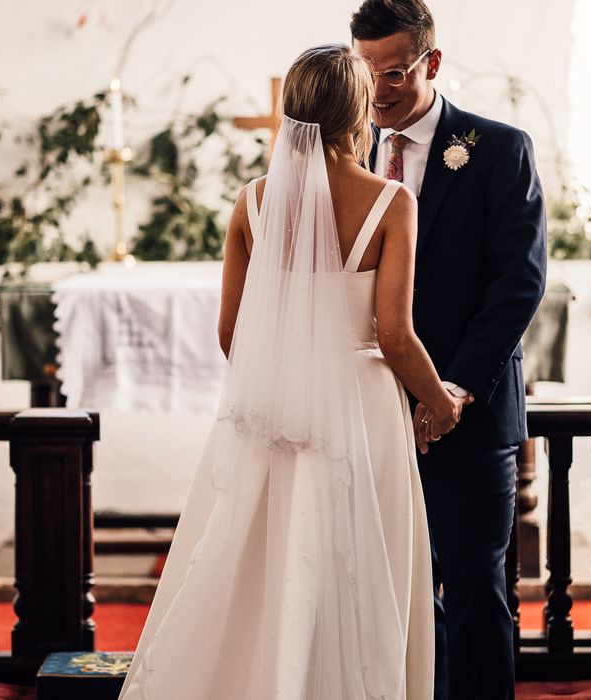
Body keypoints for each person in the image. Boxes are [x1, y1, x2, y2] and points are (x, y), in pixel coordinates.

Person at [118, 43, 469, 700]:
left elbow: (233, 334)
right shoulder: (390, 203)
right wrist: (440, 402)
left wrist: (289, 371)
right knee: (364, 568)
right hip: (363, 414)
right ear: (357, 111)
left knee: (265, 566)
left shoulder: (252, 202)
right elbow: (393, 337)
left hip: (273, 411)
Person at [351, 2, 547, 699]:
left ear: (432, 63)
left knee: (473, 585)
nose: (378, 89)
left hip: (470, 413)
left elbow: (517, 286)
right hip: (372, 414)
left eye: (395, 71)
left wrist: (452, 391)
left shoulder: (497, 147)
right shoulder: (350, 153)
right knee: (389, 591)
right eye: (365, 70)